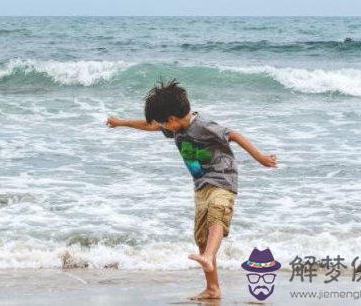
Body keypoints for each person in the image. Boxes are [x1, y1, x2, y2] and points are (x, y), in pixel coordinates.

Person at [106, 79, 278, 300]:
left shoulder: (203, 125)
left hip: (223, 179)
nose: (162, 128)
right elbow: (149, 125)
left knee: (217, 211)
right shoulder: (175, 127)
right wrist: (120, 122)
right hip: (201, 185)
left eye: (164, 123)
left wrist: (260, 158)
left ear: (172, 119)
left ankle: (208, 256)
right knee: (201, 237)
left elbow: (232, 135)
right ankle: (212, 287)